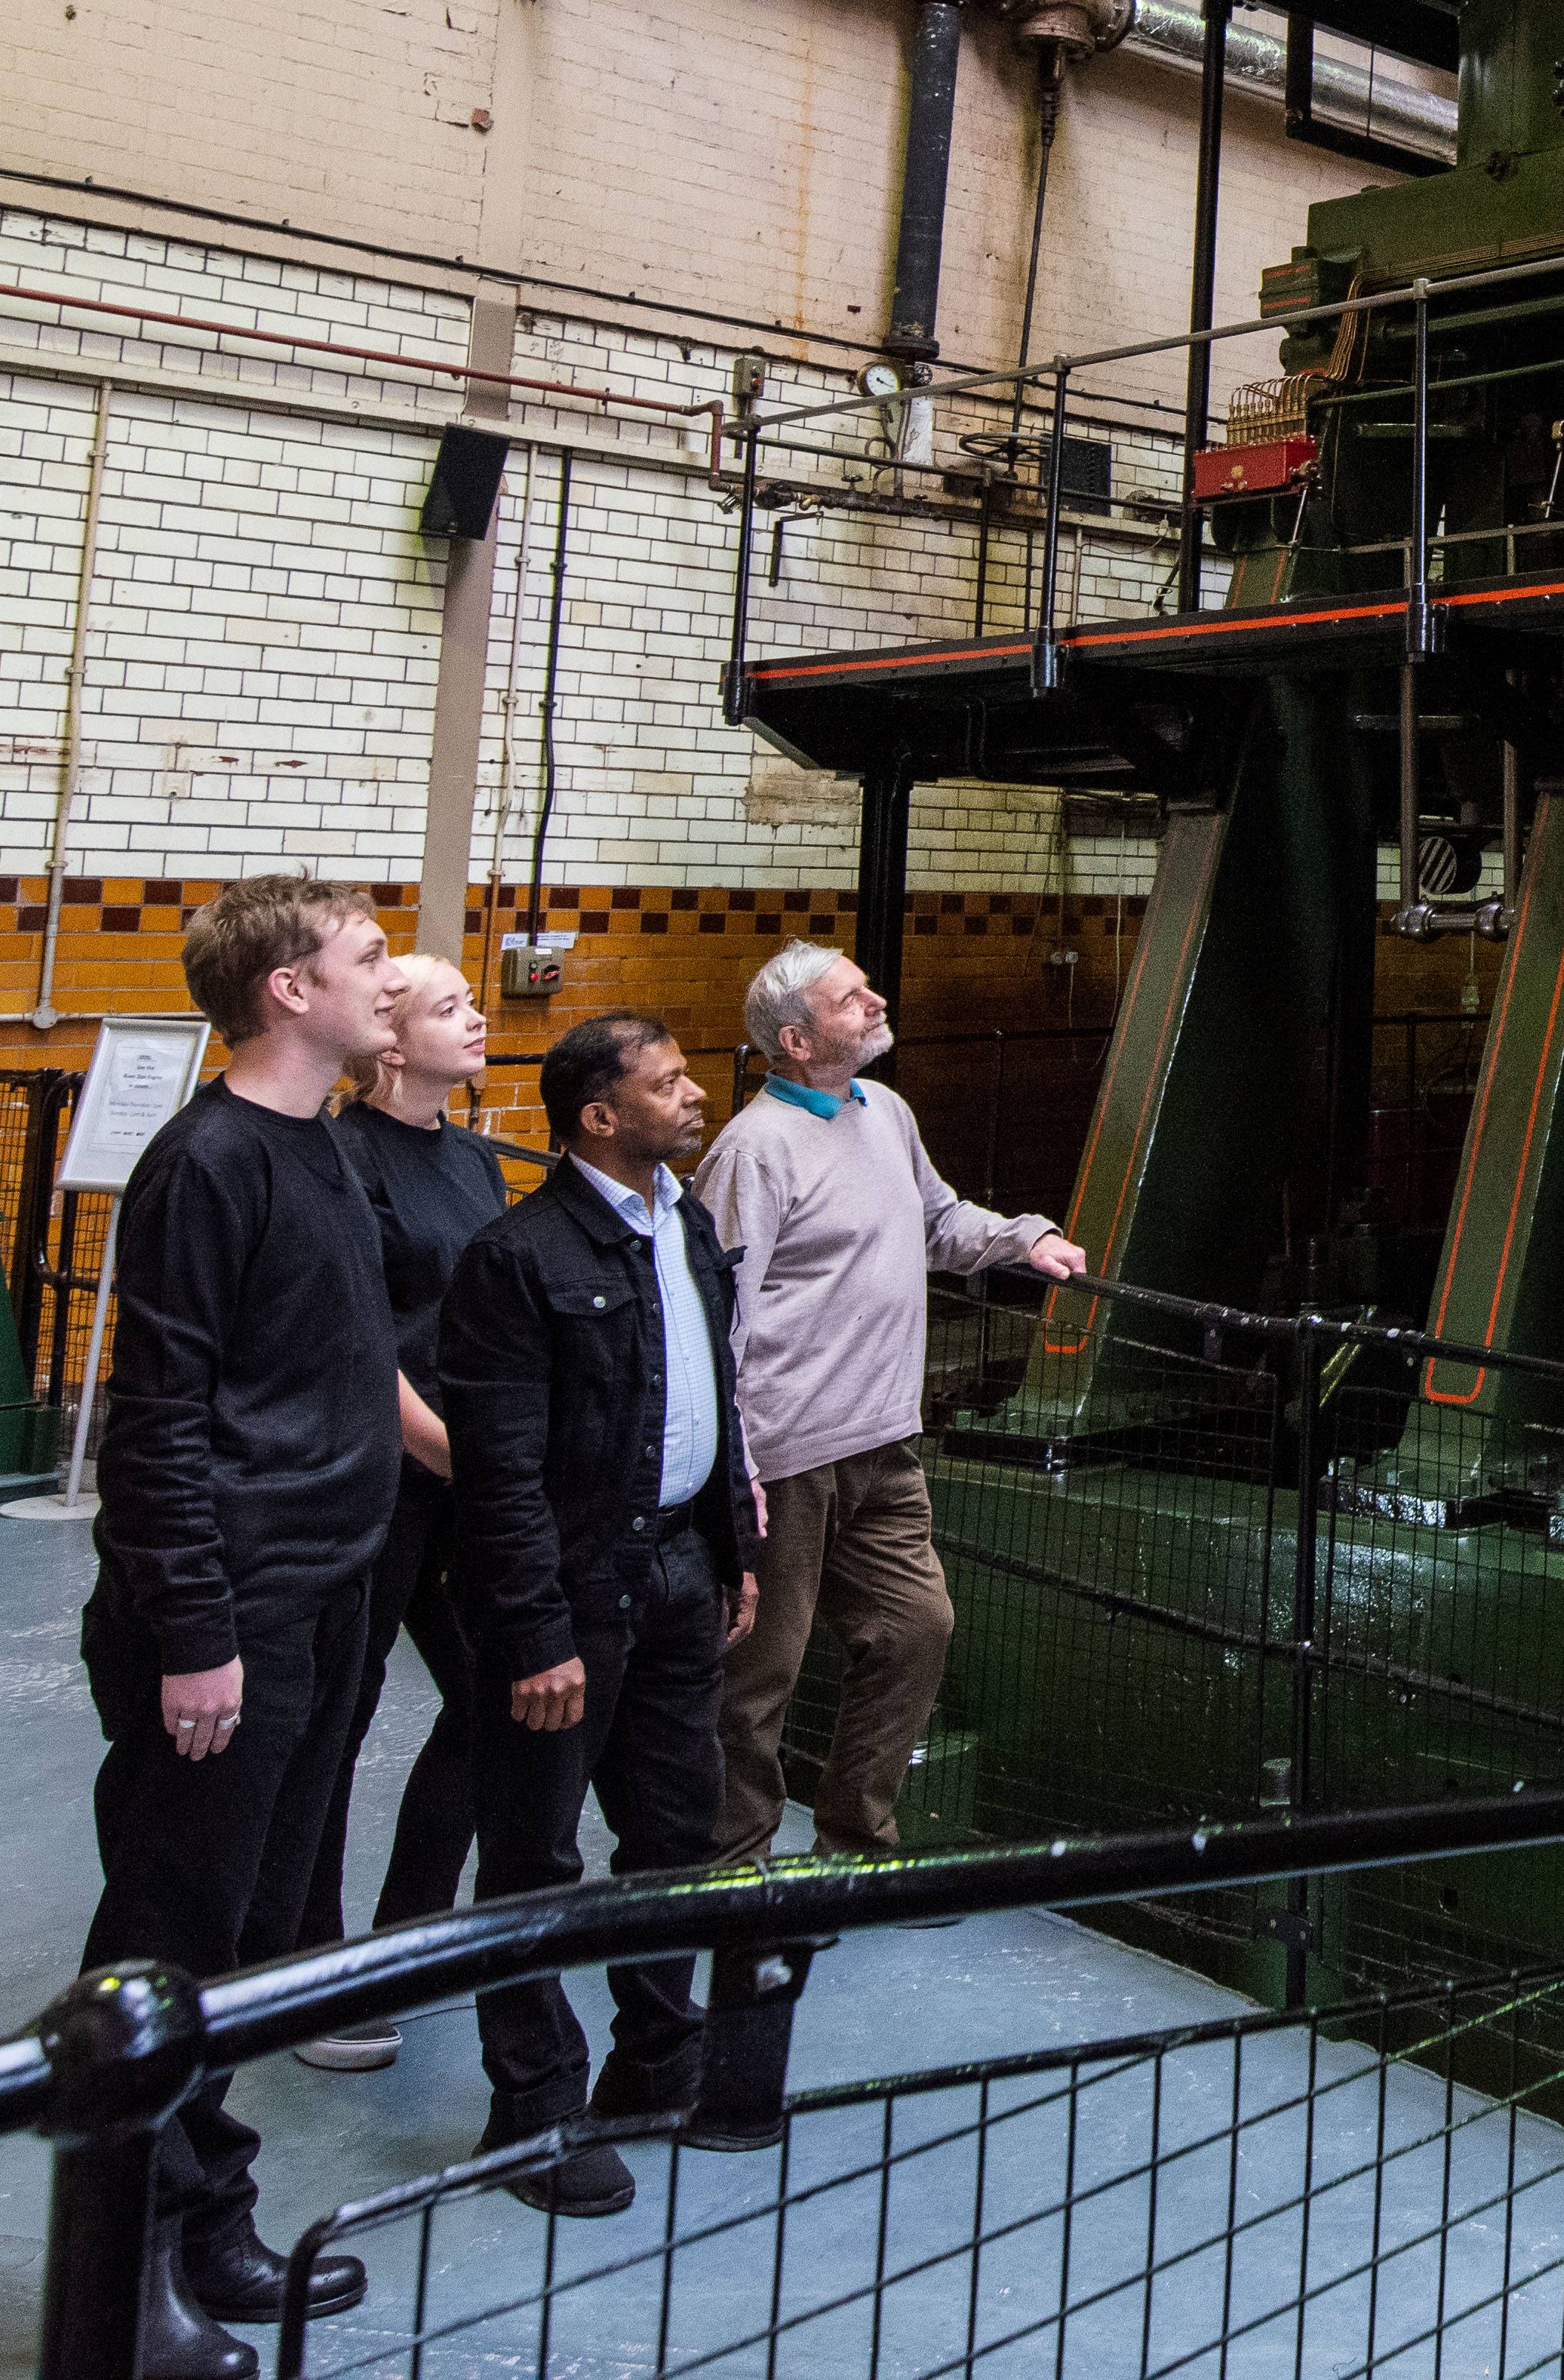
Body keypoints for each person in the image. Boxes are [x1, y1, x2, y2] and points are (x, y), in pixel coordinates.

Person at [74, 877, 400, 2373]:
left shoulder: (320, 1146)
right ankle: (119, 2270)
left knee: (257, 1926)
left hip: (322, 1590)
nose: (387, 978)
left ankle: (207, 2202)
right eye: (368, 957)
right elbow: (156, 1419)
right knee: (169, 1934)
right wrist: (195, 1629)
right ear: (287, 988)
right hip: (230, 1615)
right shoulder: (208, 1160)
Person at [439, 1011, 758, 2217]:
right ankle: (534, 2112)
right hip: (567, 1594)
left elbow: (708, 1394)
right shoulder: (518, 1257)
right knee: (532, 1857)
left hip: (679, 1574)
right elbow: (499, 1468)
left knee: (675, 1832)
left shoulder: (687, 1222)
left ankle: (654, 2065)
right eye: (666, 1081)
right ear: (598, 1116)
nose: (692, 1095)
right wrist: (534, 1632)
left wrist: (732, 1547)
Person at [700, 945, 1083, 1871]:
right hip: (784, 1456)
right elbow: (716, 1319)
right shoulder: (752, 1152)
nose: (876, 1000)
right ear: (796, 1040)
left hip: (884, 1442)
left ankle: (855, 1844)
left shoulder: (886, 1112)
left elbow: (938, 1222)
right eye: (850, 997)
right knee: (759, 1677)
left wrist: (1023, 1240)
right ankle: (727, 1866)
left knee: (917, 1628)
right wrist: (731, 1466)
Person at [285, 953, 518, 2074]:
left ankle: (410, 1929)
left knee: (494, 1695)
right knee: (336, 1712)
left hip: (462, 1471)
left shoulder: (475, 1162)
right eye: (448, 1009)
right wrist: (448, 1453)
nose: (476, 1020)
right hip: (385, 1473)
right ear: (390, 1042)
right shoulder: (341, 1161)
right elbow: (362, 1338)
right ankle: (312, 1968)